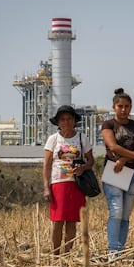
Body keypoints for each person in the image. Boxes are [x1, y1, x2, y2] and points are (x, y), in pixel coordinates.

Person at [101, 88, 134, 260]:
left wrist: (124, 160)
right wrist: (132, 157)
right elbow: (113, 146)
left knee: (126, 213)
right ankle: (113, 250)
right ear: (114, 107)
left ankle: (121, 248)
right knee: (116, 210)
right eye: (120, 106)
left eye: (126, 106)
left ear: (131, 107)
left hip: (132, 171)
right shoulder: (108, 125)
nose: (123, 109)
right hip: (114, 171)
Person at [43, 105, 94, 255]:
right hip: (58, 183)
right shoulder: (53, 139)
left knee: (72, 221)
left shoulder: (81, 138)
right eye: (63, 119)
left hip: (76, 184)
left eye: (69, 119)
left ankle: (67, 254)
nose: (66, 122)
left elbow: (91, 161)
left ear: (74, 121)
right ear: (58, 122)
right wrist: (46, 187)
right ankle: (56, 253)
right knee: (57, 221)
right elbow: (46, 165)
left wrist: (83, 168)